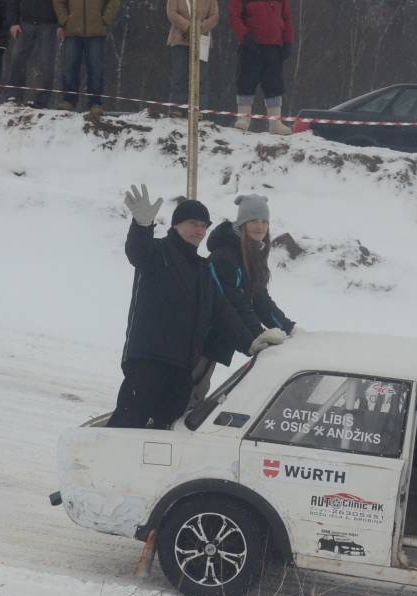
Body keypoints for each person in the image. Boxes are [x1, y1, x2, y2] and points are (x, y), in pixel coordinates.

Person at [107, 185, 285, 430]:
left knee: (167, 429)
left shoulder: (202, 268)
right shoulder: (159, 253)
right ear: (177, 225)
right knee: (128, 422)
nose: (199, 230)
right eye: (193, 223)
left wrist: (250, 342)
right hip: (148, 359)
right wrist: (142, 226)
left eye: (204, 225)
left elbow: (223, 313)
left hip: (181, 366)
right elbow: (138, 251)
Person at [194, 193, 297, 404]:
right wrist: (257, 337)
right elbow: (234, 303)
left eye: (264, 221)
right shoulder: (224, 257)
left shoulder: (250, 254)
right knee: (187, 391)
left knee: (198, 390)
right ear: (242, 223)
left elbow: (260, 301)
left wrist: (289, 329)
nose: (259, 226)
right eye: (253, 221)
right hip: (198, 339)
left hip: (219, 337)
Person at [229, 0, 293, 135]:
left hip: (274, 47)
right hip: (250, 45)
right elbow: (235, 16)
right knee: (246, 82)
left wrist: (288, 41)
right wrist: (244, 36)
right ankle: (243, 119)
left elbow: (287, 18)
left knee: (274, 84)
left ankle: (275, 123)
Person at [52, 0, 120, 114]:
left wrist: (105, 19)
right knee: (70, 68)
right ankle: (69, 101)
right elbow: (58, 2)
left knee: (96, 69)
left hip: (96, 32)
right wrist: (64, 20)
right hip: (72, 31)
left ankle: (95, 103)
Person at [165, 0, 218, 114]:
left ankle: (199, 110)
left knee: (201, 77)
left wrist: (199, 28)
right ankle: (177, 108)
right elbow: (171, 13)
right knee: (179, 76)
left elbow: (214, 16)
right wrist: (189, 27)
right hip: (179, 39)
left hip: (202, 40)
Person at [5, 0, 58, 108]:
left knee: (46, 62)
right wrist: (14, 22)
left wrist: (62, 23)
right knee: (17, 58)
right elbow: (13, 2)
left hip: (48, 24)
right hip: (25, 23)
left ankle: (42, 101)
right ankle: (15, 96)